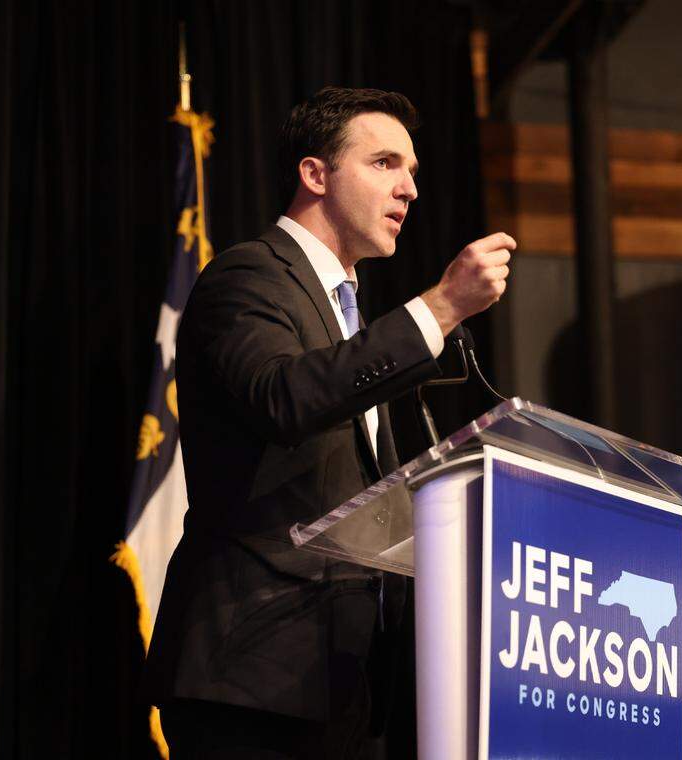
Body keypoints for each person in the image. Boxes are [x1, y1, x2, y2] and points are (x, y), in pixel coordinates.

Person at [142, 86, 514, 758]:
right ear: (315, 174)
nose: (409, 190)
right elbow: (283, 396)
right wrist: (441, 307)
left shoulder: (348, 315)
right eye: (384, 164)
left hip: (343, 679)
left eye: (413, 172)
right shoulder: (248, 275)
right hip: (251, 672)